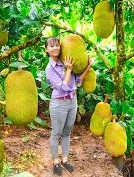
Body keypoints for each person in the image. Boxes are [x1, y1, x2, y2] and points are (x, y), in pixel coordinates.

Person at [45, 36, 93, 176]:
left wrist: (88, 67)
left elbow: (77, 81)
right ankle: (55, 161)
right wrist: (69, 70)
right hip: (59, 103)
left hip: (72, 102)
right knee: (56, 134)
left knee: (67, 133)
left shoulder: (66, 60)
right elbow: (64, 87)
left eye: (57, 45)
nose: (55, 48)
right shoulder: (50, 68)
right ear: (46, 49)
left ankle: (65, 160)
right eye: (51, 46)